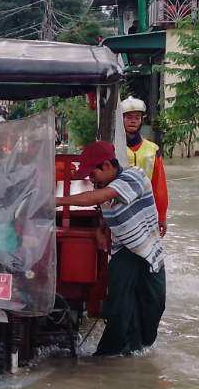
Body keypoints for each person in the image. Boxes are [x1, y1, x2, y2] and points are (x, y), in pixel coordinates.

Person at [56, 140, 166, 357]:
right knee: (119, 309)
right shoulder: (103, 185)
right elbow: (105, 207)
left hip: (147, 251)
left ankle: (138, 347)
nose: (90, 178)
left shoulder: (134, 176)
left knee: (154, 304)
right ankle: (109, 356)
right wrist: (101, 228)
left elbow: (101, 197)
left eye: (92, 172)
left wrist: (56, 201)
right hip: (123, 251)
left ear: (107, 165)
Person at [119, 96, 168, 236]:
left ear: (141, 120)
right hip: (119, 209)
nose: (133, 120)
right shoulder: (114, 148)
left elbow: (159, 186)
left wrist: (162, 216)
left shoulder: (153, 150)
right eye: (128, 117)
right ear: (121, 119)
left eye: (137, 117)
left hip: (146, 211)